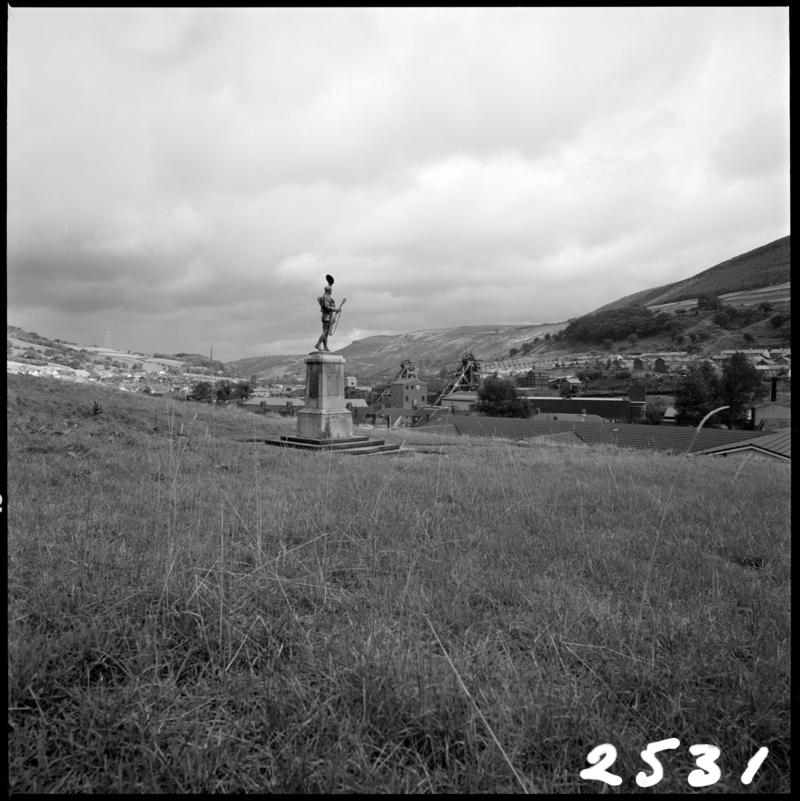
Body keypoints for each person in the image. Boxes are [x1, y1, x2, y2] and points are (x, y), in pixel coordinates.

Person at [314, 285, 342, 351]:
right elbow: (326, 307)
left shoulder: (328, 297)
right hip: (326, 317)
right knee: (325, 332)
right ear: (329, 291)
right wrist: (335, 309)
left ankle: (325, 347)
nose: (331, 291)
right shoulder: (325, 297)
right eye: (331, 290)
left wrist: (335, 309)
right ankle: (317, 344)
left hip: (329, 316)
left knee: (326, 333)